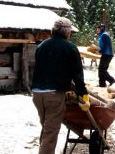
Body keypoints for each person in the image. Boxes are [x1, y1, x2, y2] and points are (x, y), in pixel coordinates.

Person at [31, 17, 90, 154]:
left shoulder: (41, 46)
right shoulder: (70, 48)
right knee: (50, 133)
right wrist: (84, 94)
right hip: (54, 95)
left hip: (37, 94)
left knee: (46, 129)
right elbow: (78, 76)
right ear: (67, 32)